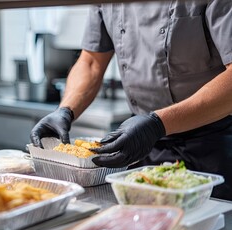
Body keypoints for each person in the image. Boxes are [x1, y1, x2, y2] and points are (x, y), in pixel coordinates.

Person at [30, 1, 232, 200]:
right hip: (140, 144)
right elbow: (91, 61)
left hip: (212, 145)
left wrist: (158, 123)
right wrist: (66, 109)